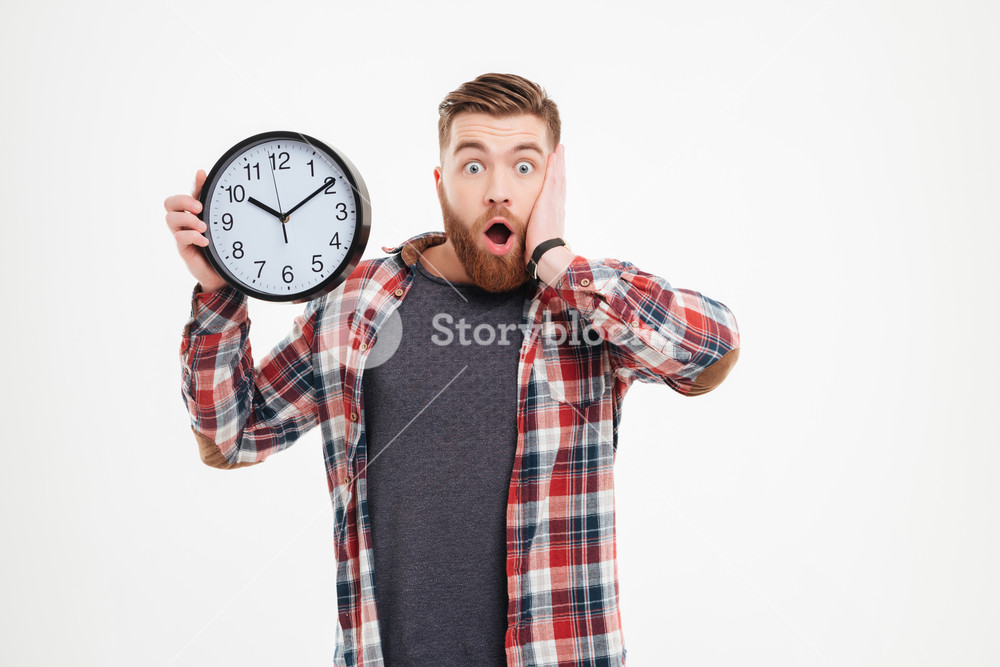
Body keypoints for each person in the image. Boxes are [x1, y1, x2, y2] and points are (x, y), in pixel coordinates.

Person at [164, 72, 741, 667]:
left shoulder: (591, 306)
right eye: (473, 166)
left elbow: (713, 348)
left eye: (523, 166)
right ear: (440, 184)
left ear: (553, 183)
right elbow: (231, 436)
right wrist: (217, 294)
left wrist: (558, 262)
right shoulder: (355, 303)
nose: (499, 191)